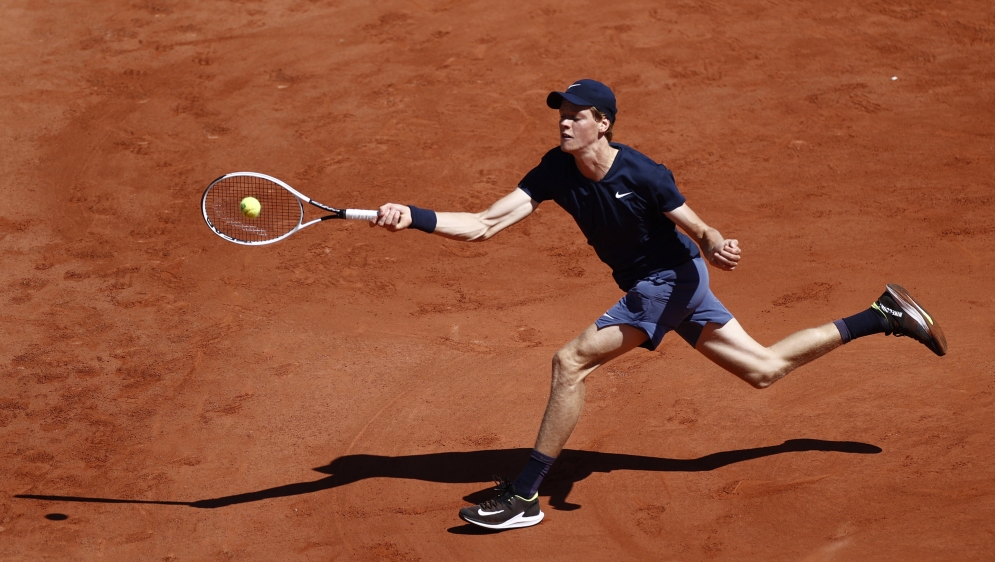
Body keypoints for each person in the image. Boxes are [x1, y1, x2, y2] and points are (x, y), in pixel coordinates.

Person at [370, 79, 947, 530]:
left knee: (570, 362)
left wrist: (716, 242)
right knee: (764, 369)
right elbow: (482, 225)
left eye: (577, 114)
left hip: (669, 280)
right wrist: (411, 216)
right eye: (561, 113)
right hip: (671, 285)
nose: (565, 122)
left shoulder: (642, 171)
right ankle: (882, 314)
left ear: (604, 124)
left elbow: (696, 226)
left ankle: (525, 493)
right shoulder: (555, 169)